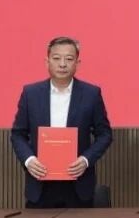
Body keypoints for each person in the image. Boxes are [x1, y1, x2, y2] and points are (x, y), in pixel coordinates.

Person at [10, 36, 114, 208]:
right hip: (40, 184)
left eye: (69, 59)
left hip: (78, 184)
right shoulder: (30, 94)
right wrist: (29, 160)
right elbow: (17, 134)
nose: (63, 64)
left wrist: (86, 160)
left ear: (77, 63)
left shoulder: (91, 94)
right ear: (47, 61)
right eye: (57, 58)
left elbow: (105, 134)